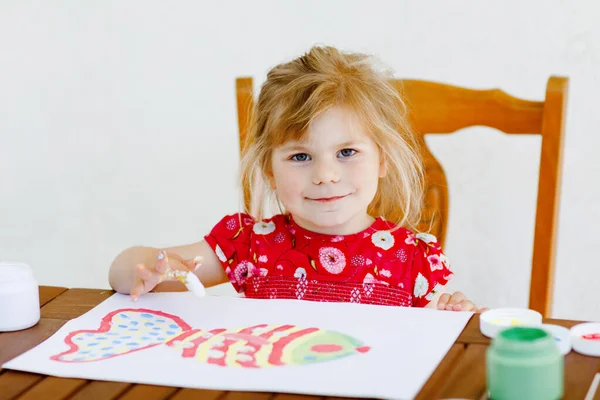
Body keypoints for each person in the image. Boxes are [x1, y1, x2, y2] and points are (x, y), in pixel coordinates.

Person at [109, 45, 483, 312]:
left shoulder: (411, 259)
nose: (325, 175)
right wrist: (146, 268)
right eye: (301, 156)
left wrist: (453, 313)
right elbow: (122, 274)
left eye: (346, 152)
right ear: (270, 170)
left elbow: (437, 342)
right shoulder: (248, 245)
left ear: (382, 159)